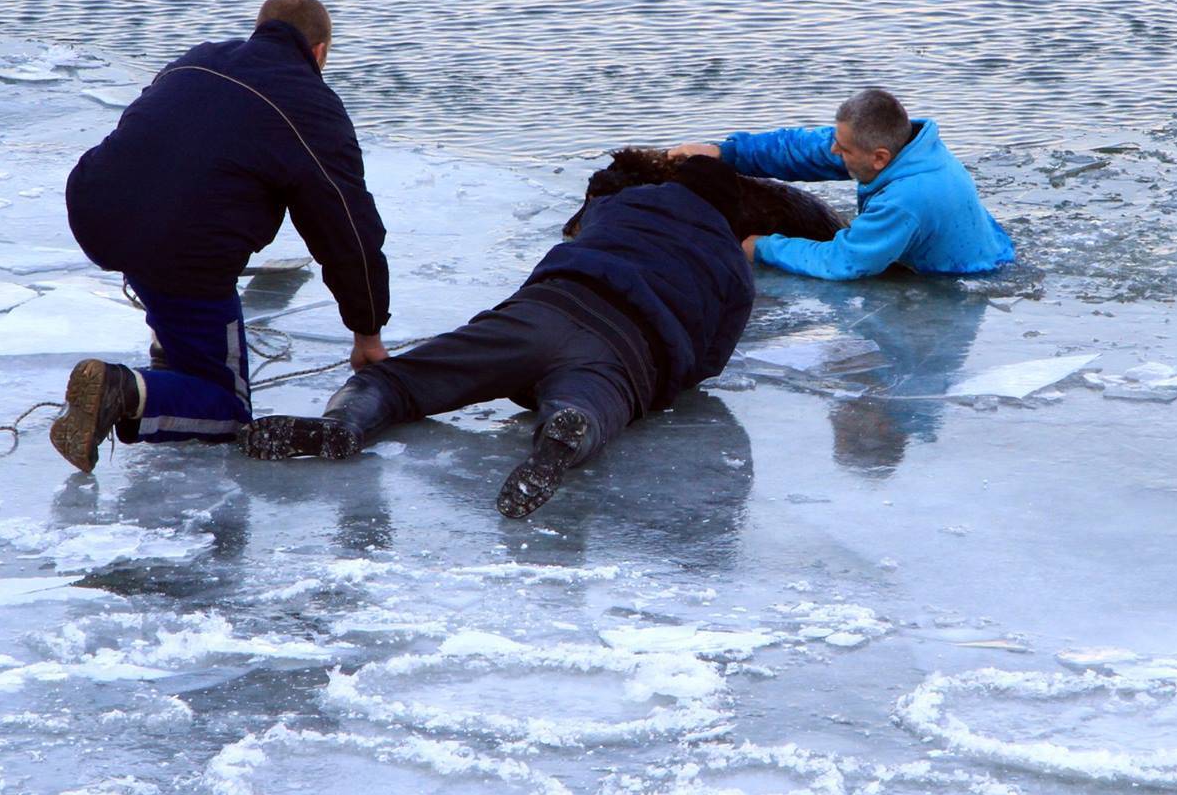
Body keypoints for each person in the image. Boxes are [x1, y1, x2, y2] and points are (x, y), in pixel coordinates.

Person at [240, 156, 755, 519]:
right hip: (626, 350)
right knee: (591, 410)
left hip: (547, 308)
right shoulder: (734, 265)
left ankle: (346, 423)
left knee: (401, 380)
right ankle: (566, 427)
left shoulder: (625, 202)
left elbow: (578, 238)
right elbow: (707, 363)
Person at [48, 0, 391, 471]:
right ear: (319, 52)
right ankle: (121, 390)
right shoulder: (310, 104)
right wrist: (367, 334)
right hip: (181, 250)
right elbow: (348, 230)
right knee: (227, 411)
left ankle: (171, 360)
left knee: (175, 265)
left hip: (96, 207)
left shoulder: (200, 59)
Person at [670, 88, 1013, 280]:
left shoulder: (906, 199)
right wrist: (725, 152)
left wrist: (763, 247)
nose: (834, 151)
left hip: (959, 279)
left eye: (843, 148)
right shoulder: (906, 144)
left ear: (879, 157)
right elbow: (805, 149)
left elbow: (845, 262)